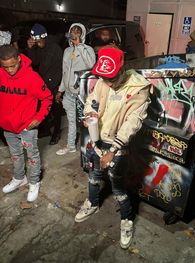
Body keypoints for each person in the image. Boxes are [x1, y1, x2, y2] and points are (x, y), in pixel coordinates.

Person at [74, 47, 151, 249]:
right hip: (96, 138)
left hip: (117, 145)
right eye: (104, 78)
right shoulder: (103, 80)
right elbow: (93, 100)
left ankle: (127, 220)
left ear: (122, 68)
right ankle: (92, 203)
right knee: (93, 175)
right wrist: (90, 114)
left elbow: (133, 123)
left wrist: (112, 151)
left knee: (117, 187)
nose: (107, 82)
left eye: (111, 78)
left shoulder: (138, 88)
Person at [0, 45, 53, 202]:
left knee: (32, 155)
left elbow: (47, 98)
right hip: (8, 126)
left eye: (13, 65)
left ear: (19, 59)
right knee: (15, 155)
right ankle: (19, 178)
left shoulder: (32, 77)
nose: (10, 70)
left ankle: (34, 181)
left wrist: (38, 118)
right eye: (5, 67)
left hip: (27, 127)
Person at [55, 23, 96, 155]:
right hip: (68, 93)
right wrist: (60, 90)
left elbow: (91, 65)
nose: (75, 32)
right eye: (73, 30)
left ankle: (92, 147)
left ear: (82, 34)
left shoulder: (87, 49)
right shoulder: (66, 51)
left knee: (88, 121)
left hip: (82, 94)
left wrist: (79, 46)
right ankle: (71, 146)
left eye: (78, 30)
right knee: (71, 121)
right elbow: (65, 72)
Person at [26, 23, 63, 145]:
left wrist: (56, 87)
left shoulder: (54, 48)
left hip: (54, 83)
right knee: (44, 108)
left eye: (38, 39)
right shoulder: (41, 46)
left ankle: (56, 133)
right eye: (34, 40)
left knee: (56, 110)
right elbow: (35, 62)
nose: (36, 42)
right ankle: (46, 130)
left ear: (44, 37)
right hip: (44, 83)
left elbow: (59, 69)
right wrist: (31, 48)